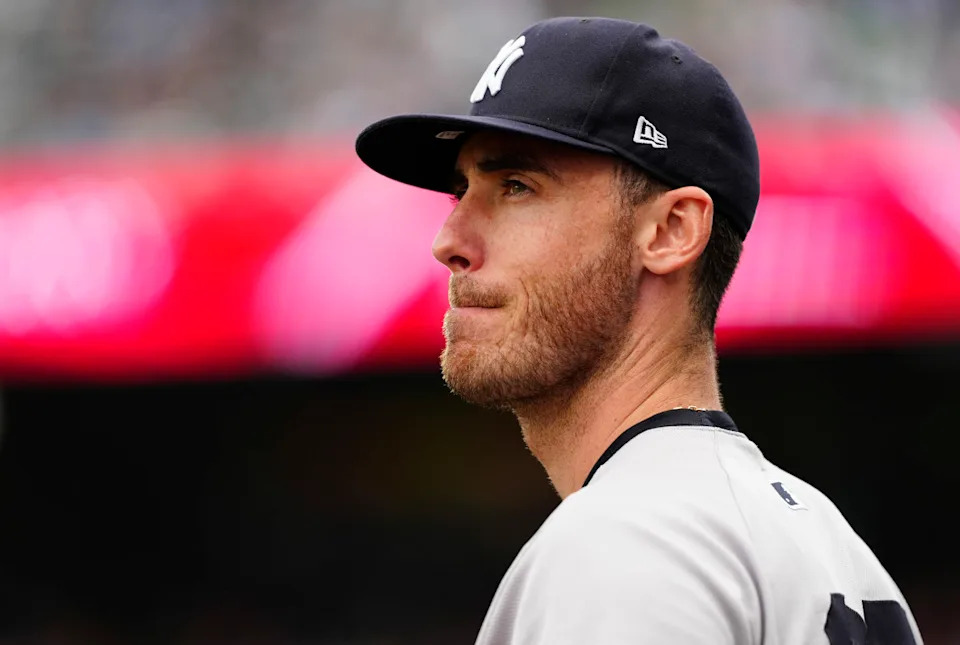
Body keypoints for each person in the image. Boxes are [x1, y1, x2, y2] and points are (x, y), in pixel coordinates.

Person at [355, 16, 923, 645]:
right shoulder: (834, 545)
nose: (449, 242)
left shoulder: (624, 544)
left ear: (671, 230)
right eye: (460, 191)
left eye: (516, 186)